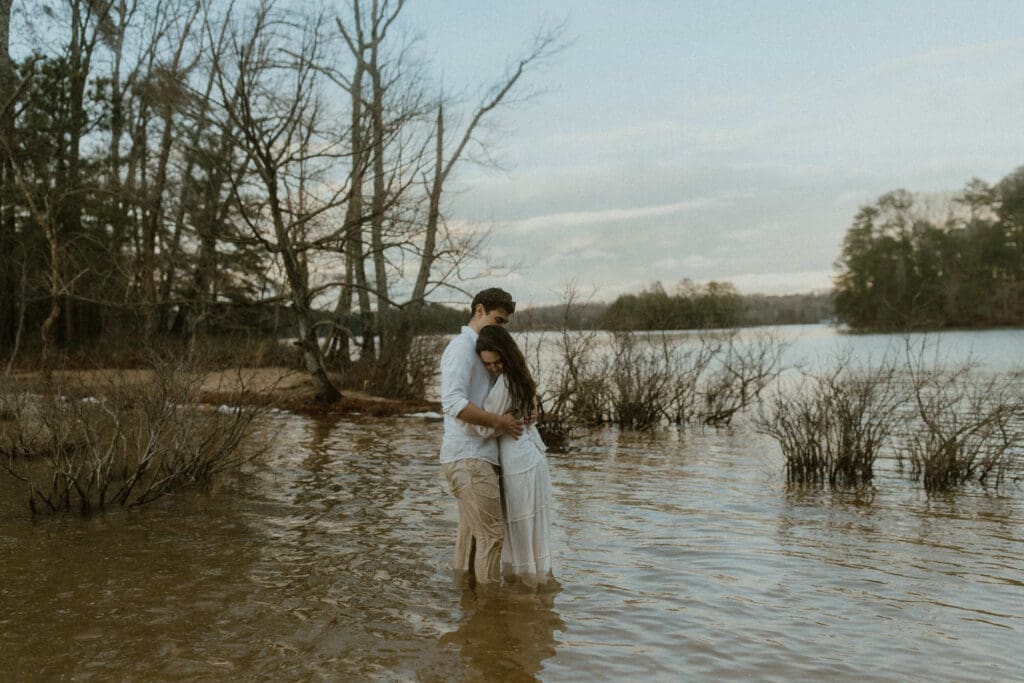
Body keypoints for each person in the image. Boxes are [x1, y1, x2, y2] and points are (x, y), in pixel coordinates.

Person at [439, 288, 524, 586]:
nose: (501, 329)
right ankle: (491, 615)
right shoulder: (462, 348)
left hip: (476, 455)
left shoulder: (484, 350)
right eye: (497, 320)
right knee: (492, 536)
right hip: (468, 456)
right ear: (478, 311)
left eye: (504, 324)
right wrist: (500, 421)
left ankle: (469, 611)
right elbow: (453, 403)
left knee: (474, 538)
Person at [474, 325, 554, 586]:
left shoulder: (505, 383)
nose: (493, 368)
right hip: (532, 455)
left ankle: (523, 592)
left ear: (506, 356)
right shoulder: (520, 376)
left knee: (519, 529)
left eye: (497, 362)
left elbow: (482, 427)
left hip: (519, 459)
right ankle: (537, 587)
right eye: (488, 365)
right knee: (532, 529)